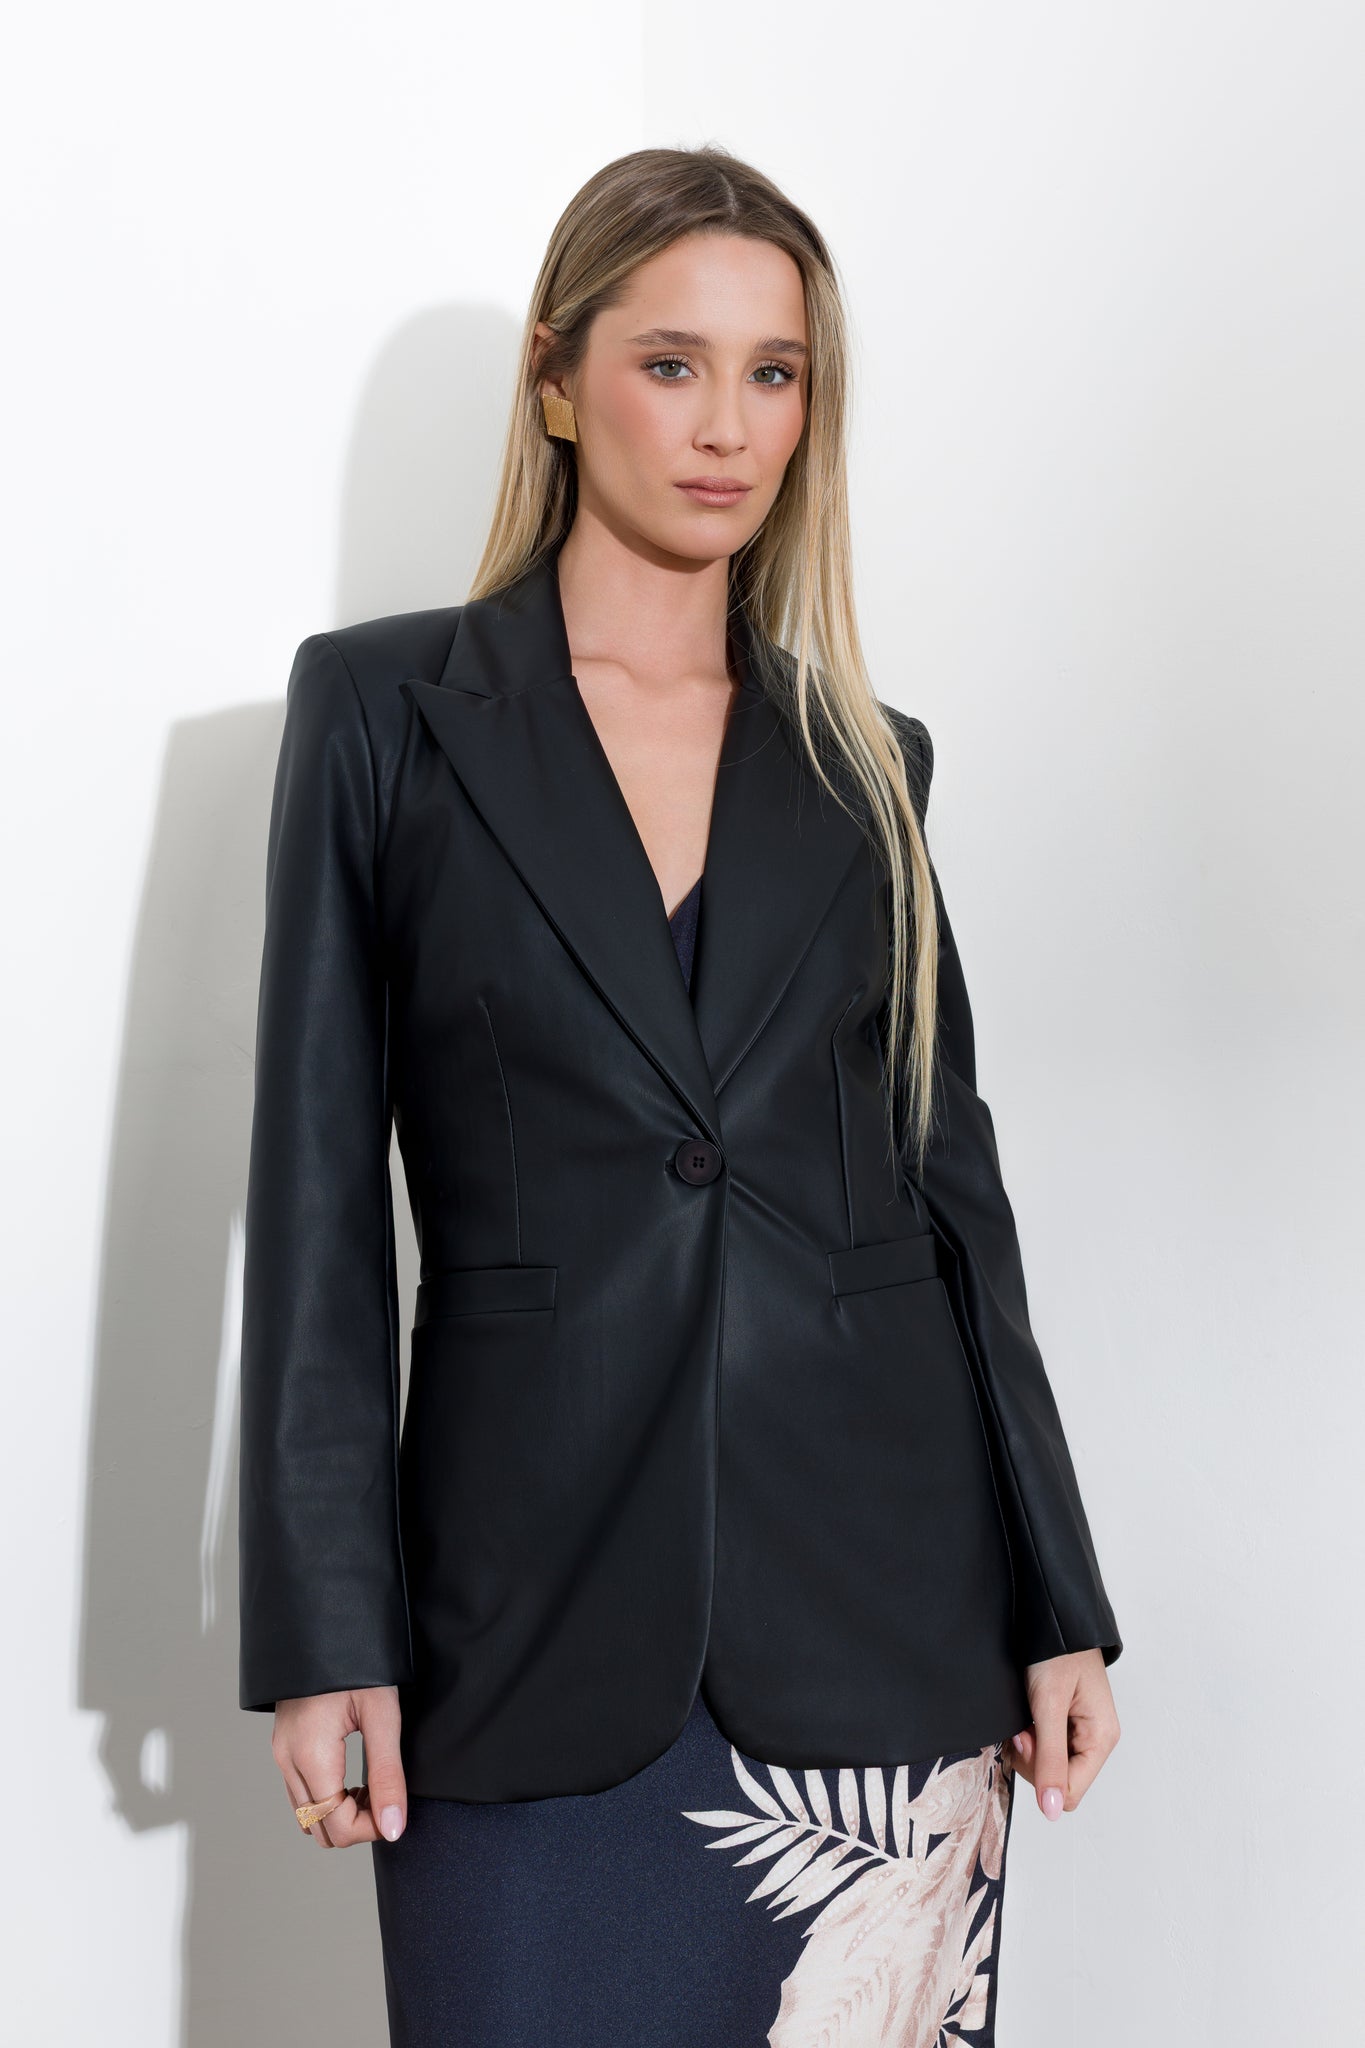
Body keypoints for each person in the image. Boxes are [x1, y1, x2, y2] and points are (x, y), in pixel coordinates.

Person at [238, 143, 1123, 2047]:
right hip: (521, 1618)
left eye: (773, 373)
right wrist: (324, 1632)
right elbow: (312, 1204)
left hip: (883, 1619)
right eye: (670, 363)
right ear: (558, 380)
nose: (728, 426)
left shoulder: (865, 759)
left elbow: (951, 1199)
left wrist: (1058, 1596)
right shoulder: (384, 714)